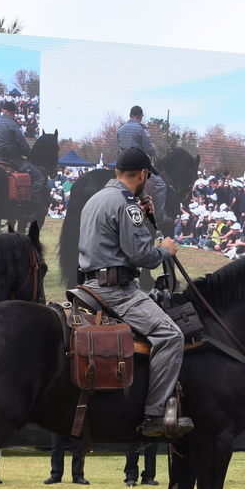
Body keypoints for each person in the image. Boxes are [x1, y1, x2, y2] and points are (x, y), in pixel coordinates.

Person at [77, 147, 190, 438]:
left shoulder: (96, 199)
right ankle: (155, 415)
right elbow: (142, 256)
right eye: (147, 177)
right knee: (171, 336)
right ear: (142, 174)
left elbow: (116, 242)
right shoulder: (126, 205)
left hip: (89, 285)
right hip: (118, 291)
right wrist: (165, 250)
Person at [0, 100, 48, 221]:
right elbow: (23, 146)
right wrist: (28, 153)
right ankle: (30, 208)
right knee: (39, 177)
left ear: (3, 110)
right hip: (10, 160)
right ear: (14, 112)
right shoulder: (13, 124)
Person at [118, 105, 168, 220]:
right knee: (161, 185)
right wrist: (153, 147)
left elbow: (119, 150)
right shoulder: (141, 129)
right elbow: (148, 149)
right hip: (137, 167)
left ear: (130, 115)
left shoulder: (120, 129)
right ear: (140, 116)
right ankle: (158, 216)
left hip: (122, 166)